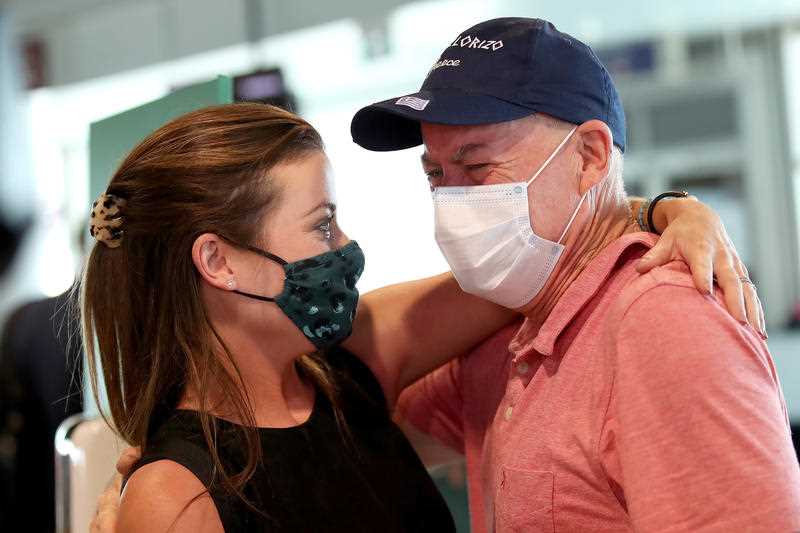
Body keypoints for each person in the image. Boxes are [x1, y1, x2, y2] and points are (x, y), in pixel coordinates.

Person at [88, 76, 756, 533]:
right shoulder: (175, 495)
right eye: (321, 226)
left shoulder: (350, 366)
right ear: (219, 261)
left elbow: (546, 261)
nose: (347, 247)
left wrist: (666, 209)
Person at [349, 17, 800, 531]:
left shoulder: (665, 322)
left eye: (476, 169)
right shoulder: (521, 327)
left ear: (589, 156)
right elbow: (344, 409)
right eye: (436, 175)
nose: (451, 200)